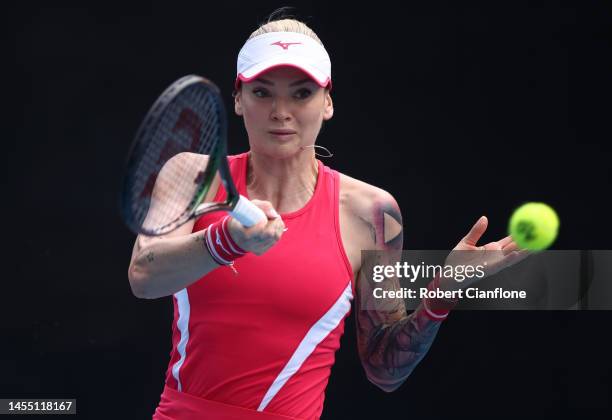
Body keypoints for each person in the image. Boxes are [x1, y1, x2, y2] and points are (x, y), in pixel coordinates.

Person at [127, 15, 527, 420]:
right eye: (262, 92)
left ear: (328, 102)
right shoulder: (192, 174)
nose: (281, 111)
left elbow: (384, 370)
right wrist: (226, 240)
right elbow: (143, 276)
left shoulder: (372, 212)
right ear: (237, 99)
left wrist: (444, 290)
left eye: (301, 93)